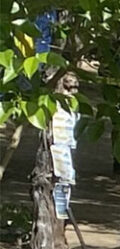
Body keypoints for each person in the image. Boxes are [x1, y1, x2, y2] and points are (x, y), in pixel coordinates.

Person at [46, 71, 80, 225]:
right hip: (57, 147)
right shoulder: (57, 102)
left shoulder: (71, 102)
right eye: (71, 85)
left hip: (64, 146)